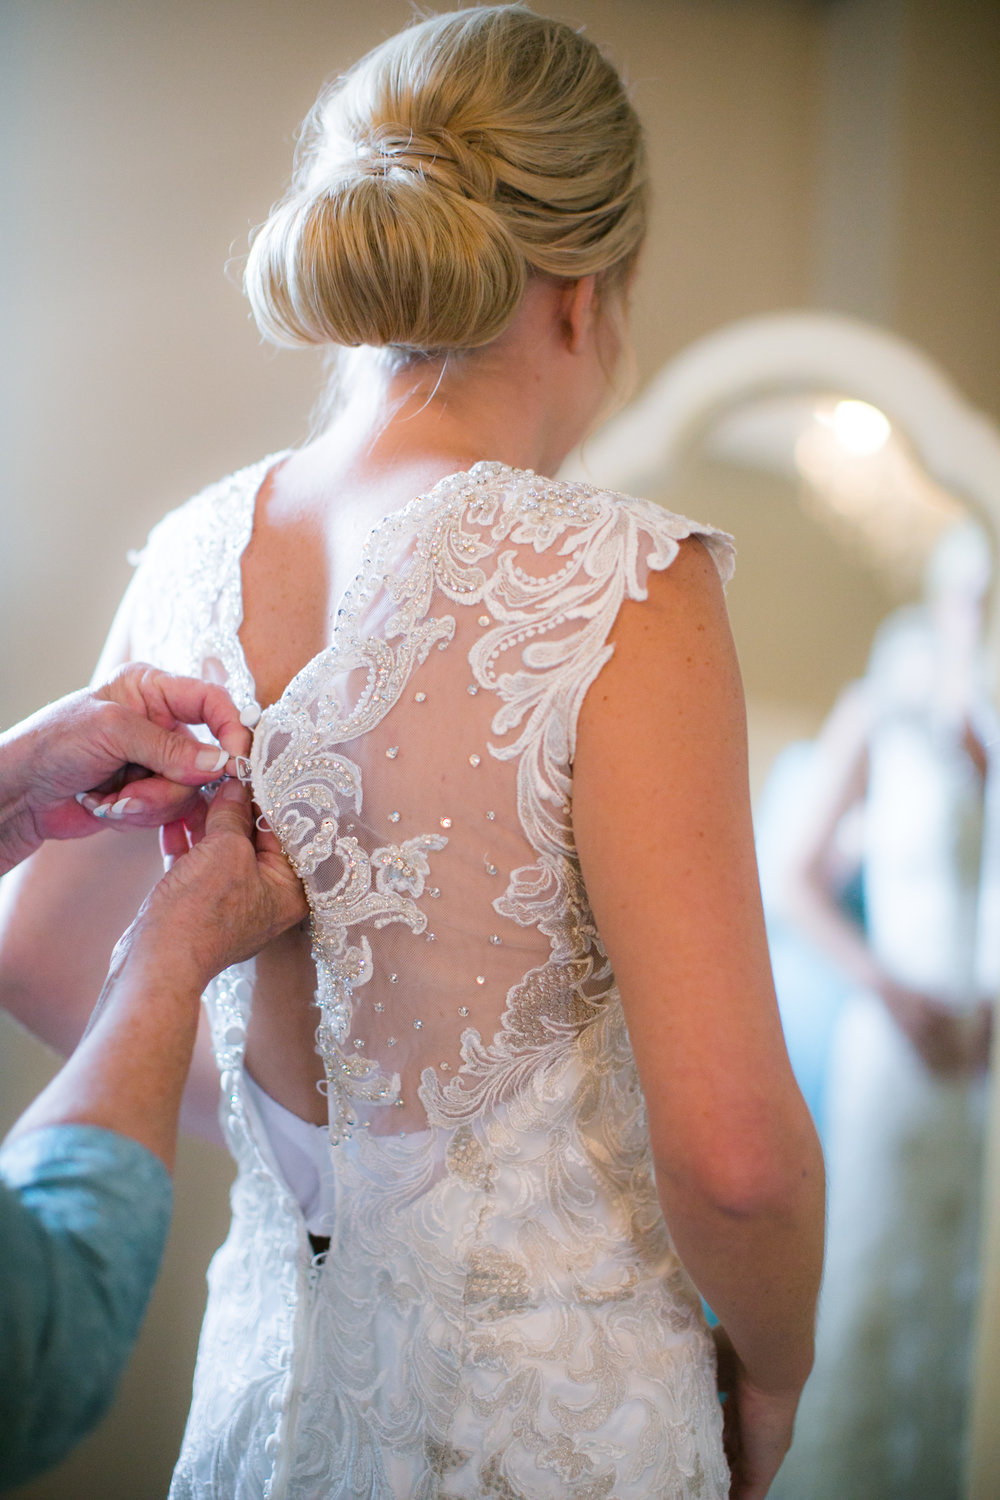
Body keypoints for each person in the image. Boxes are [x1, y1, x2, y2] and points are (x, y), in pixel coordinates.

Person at [0, 9, 824, 1497]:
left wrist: (309, 1163)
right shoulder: (617, 575)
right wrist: (776, 1370)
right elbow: (740, 1159)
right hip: (557, 1420)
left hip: (264, 1399)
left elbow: (42, 961)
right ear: (586, 292)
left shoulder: (194, 548)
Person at [0, 665, 307, 1488]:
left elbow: (30, 962)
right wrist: (163, 960)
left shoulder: (193, 541)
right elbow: (43, 1349)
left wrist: (15, 791)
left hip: (263, 1344)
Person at [771, 522, 999, 1500]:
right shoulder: (885, 710)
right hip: (898, 1033)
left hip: (987, 1050)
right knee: (877, 1270)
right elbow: (788, 876)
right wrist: (887, 987)